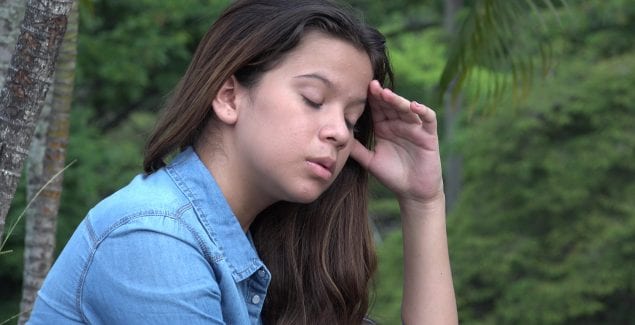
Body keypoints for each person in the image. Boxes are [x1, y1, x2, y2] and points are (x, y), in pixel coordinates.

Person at [28, 0, 457, 324]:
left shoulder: (268, 248)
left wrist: (423, 202)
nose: (341, 133)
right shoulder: (152, 240)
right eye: (314, 99)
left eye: (352, 117)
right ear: (229, 96)